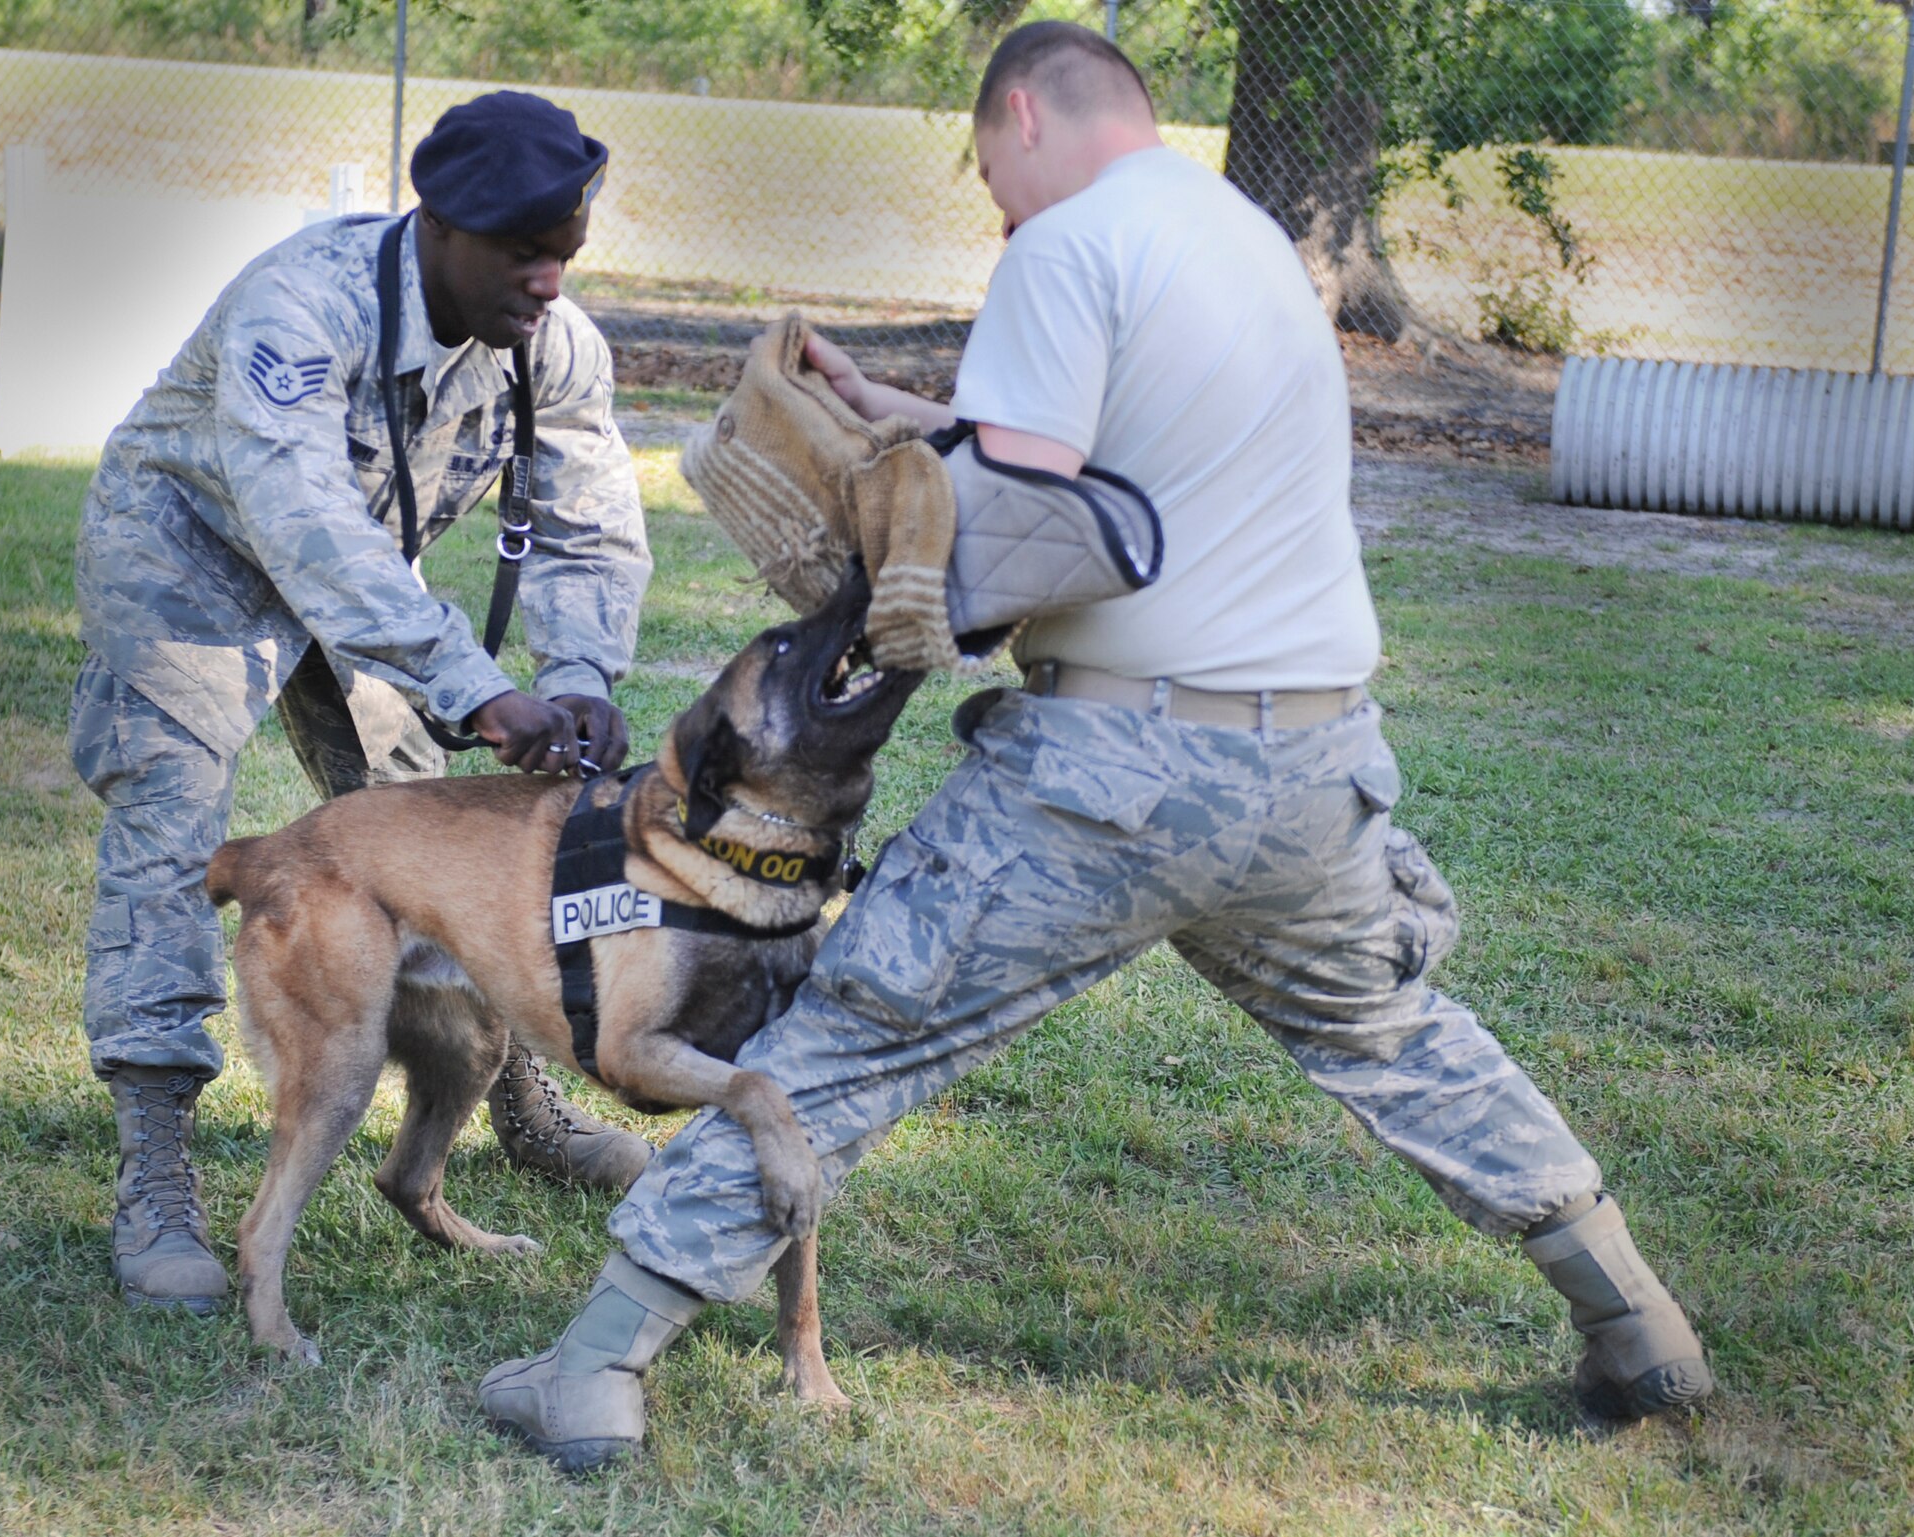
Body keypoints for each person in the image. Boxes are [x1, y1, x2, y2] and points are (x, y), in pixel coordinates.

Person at [478, 24, 1714, 1471]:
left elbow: (1008, 536)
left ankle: (594, 1365)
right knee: (1399, 1036)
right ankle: (1640, 1327)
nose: (995, 203)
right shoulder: (1240, 238)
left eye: (989, 167)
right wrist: (907, 416)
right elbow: (1117, 474)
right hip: (1315, 771)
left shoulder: (1062, 249)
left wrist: (863, 492)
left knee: (855, 1038)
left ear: (1022, 114)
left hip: (1117, 778)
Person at [71, 91, 657, 1316]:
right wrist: (476, 685)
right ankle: (158, 1167)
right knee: (172, 829)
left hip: (363, 586)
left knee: (424, 834)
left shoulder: (556, 344)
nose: (547, 281)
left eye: (566, 254)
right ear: (436, 221)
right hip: (190, 560)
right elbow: (302, 521)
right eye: (521, 252)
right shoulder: (304, 302)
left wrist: (577, 678)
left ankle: (504, 1103)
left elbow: (590, 526)